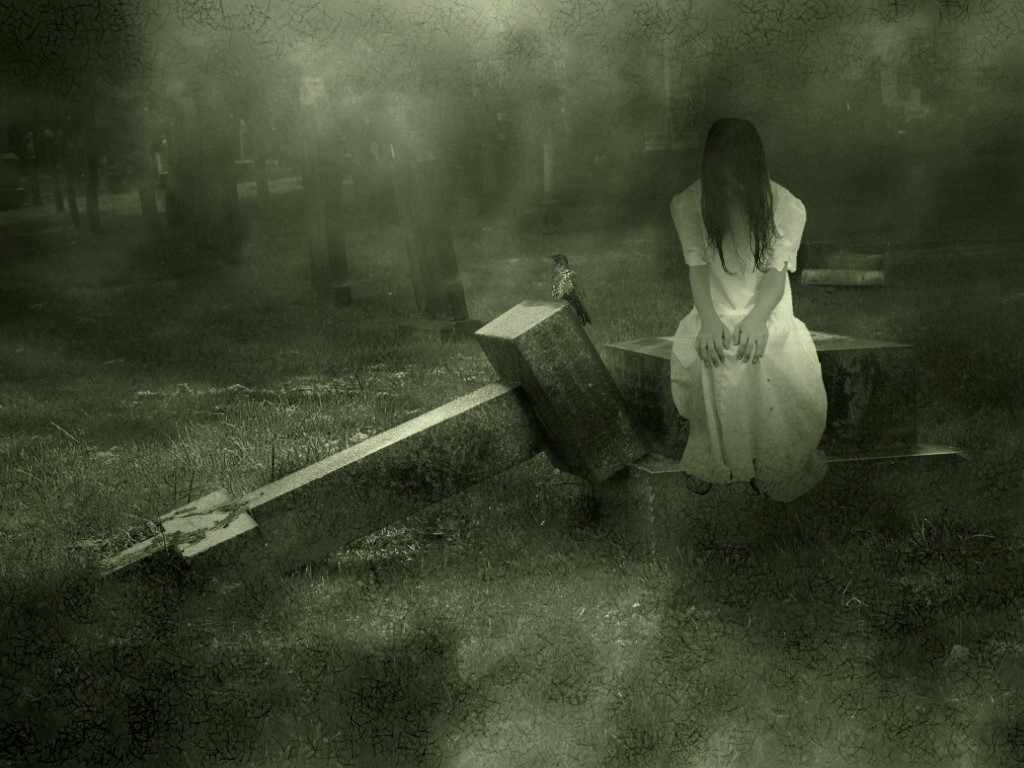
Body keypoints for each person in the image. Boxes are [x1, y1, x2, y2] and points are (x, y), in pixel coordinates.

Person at [669, 117, 827, 503]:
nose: (732, 186)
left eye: (739, 176)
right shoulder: (690, 203)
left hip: (767, 308)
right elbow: (698, 269)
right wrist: (708, 321)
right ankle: (716, 457)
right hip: (715, 305)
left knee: (760, 353)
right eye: (722, 177)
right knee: (715, 351)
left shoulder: (786, 206)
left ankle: (767, 460)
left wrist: (757, 320)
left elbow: (775, 276)